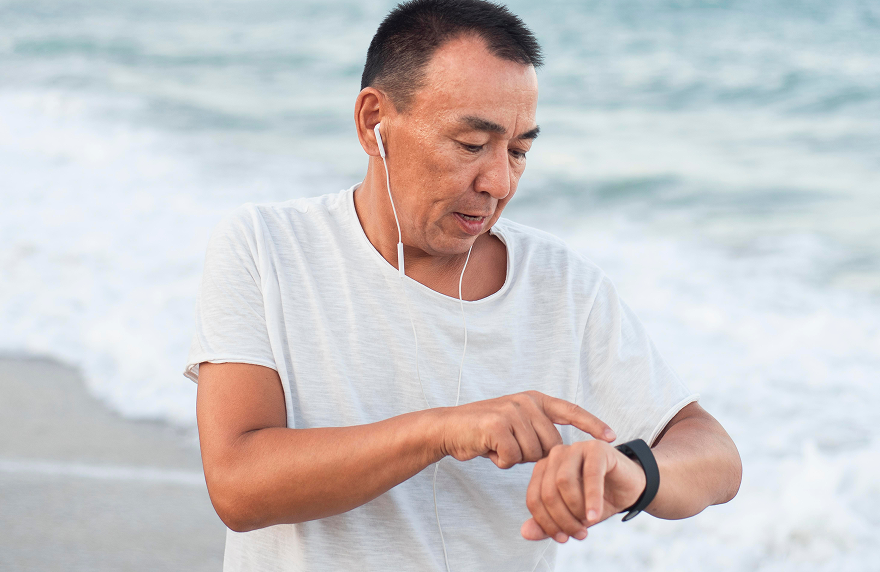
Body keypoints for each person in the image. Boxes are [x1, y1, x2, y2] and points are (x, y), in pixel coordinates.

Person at [185, 1, 742, 570]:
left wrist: (631, 473)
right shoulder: (266, 247)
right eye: (472, 145)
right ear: (373, 121)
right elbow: (238, 486)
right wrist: (442, 430)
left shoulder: (562, 285)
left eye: (519, 151)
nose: (498, 181)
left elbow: (716, 457)